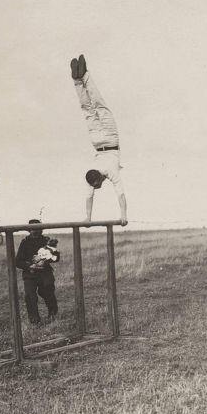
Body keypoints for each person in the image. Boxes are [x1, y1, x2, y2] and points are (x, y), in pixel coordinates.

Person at [70, 54, 128, 225]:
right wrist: (88, 218)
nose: (98, 187)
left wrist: (123, 215)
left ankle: (84, 76)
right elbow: (119, 194)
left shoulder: (108, 172)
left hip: (110, 141)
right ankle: (79, 80)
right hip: (98, 142)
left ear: (99, 179)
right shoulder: (92, 172)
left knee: (99, 106)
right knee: (89, 109)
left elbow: (120, 194)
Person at [15, 219, 60, 325]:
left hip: (45, 273)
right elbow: (18, 261)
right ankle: (35, 321)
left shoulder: (47, 241)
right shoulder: (25, 242)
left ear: (42, 230)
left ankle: (53, 314)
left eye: (38, 229)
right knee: (30, 296)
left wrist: (46, 260)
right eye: (32, 229)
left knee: (48, 292)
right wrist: (30, 265)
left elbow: (57, 257)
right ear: (29, 230)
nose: (35, 231)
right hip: (30, 274)